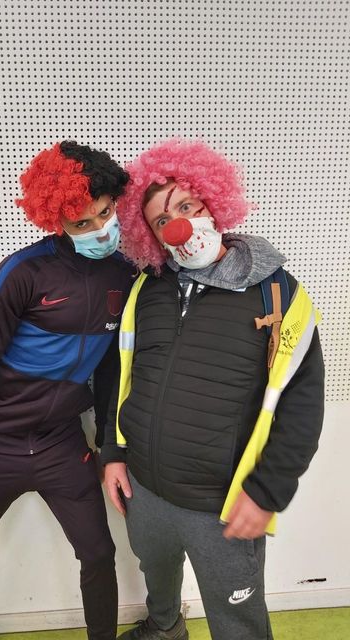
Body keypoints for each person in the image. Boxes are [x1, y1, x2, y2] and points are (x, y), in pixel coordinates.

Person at [102, 139, 324, 640]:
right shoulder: (148, 287)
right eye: (162, 219)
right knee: (157, 577)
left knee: (237, 620)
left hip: (220, 502)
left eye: (186, 206)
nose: (178, 225)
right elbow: (123, 373)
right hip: (145, 487)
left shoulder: (277, 292)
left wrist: (267, 491)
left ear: (212, 203)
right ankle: (165, 628)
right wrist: (113, 452)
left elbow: (302, 405)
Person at [0, 140, 135, 640]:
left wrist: (110, 450)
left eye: (105, 214)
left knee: (99, 553)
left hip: (62, 443)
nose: (99, 230)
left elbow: (111, 372)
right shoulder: (22, 272)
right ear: (55, 221)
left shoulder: (126, 273)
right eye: (81, 223)